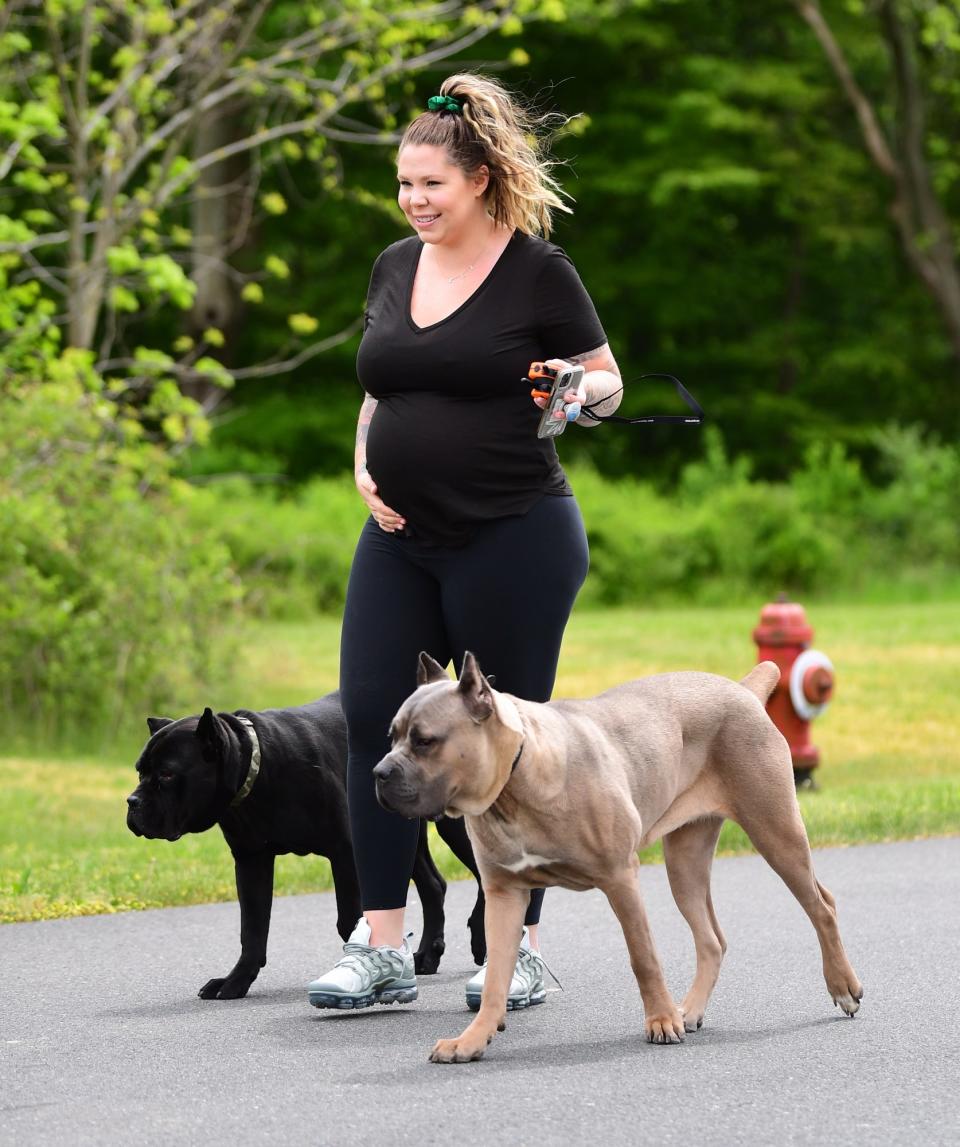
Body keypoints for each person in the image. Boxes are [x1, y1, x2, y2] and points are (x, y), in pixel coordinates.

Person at [307, 72, 622, 1013]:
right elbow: (380, 384)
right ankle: (381, 943)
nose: (414, 202)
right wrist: (365, 458)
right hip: (400, 538)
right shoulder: (394, 265)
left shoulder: (538, 272)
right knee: (375, 719)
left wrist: (572, 385)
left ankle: (511, 947)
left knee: (504, 746)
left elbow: (607, 385)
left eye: (431, 186)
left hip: (512, 537)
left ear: (480, 178)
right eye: (404, 187)